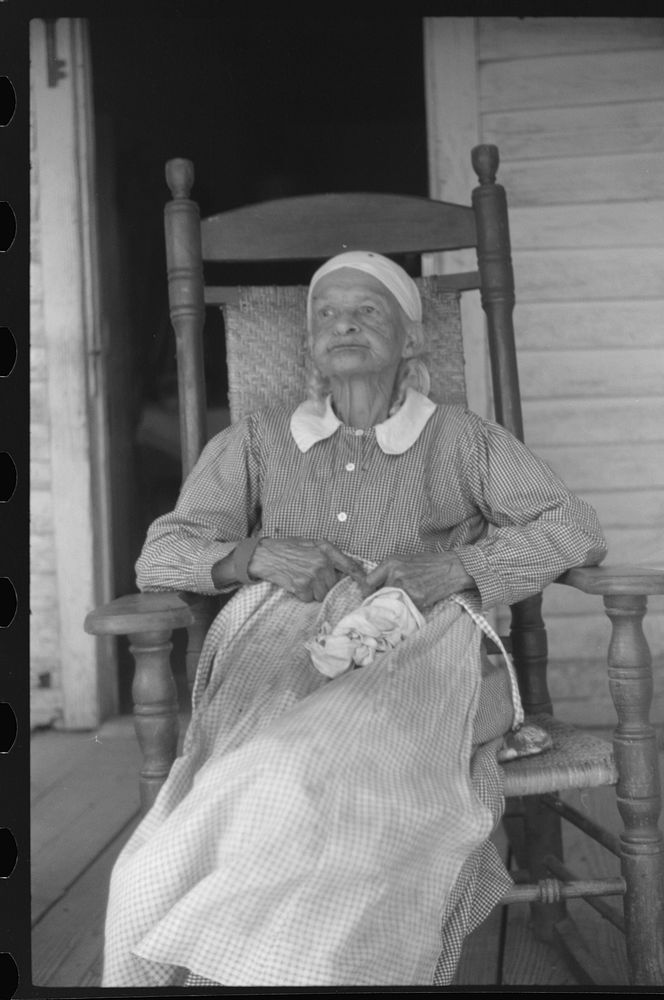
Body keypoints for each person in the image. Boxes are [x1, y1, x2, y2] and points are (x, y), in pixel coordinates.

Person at [102, 251, 607, 987]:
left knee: (304, 771)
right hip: (279, 650)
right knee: (272, 771)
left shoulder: (461, 439)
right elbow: (163, 552)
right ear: (308, 346)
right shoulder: (256, 440)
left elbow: (574, 527)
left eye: (368, 311)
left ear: (410, 341)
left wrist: (458, 569)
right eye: (327, 315)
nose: (344, 324)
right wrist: (254, 556)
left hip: (420, 647)